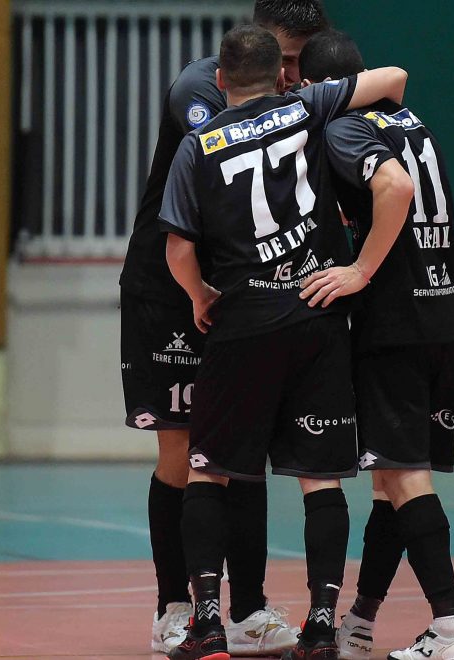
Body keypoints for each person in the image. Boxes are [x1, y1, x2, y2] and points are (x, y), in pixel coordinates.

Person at [159, 24, 408, 660]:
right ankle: (321, 627)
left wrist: (200, 296)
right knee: (320, 479)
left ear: (220, 80)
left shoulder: (197, 145)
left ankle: (208, 624)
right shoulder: (306, 106)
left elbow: (178, 250)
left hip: (242, 322)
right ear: (280, 76)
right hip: (316, 316)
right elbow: (392, 79)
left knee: (209, 470)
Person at [117, 1, 329, 655]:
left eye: (301, 63)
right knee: (185, 453)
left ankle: (249, 611)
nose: (294, 74)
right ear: (261, 46)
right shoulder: (201, 92)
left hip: (237, 297)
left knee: (243, 454)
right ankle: (175, 607)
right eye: (287, 59)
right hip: (172, 291)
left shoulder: (291, 99)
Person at [297, 30, 454, 660]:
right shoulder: (410, 121)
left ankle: (451, 626)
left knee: (404, 476)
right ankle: (361, 622)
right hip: (443, 316)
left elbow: (394, 189)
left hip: (396, 322)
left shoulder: (345, 128)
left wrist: (360, 270)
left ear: (317, 87)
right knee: (390, 480)